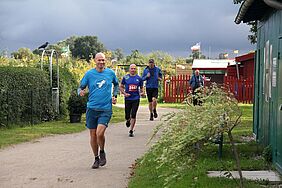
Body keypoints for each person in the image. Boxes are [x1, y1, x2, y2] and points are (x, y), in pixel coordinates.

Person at [78, 52, 119, 169]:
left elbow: (116, 84)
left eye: (103, 60)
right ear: (95, 61)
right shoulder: (89, 74)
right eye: (99, 60)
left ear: (105, 61)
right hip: (92, 109)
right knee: (93, 135)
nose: (101, 62)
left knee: (99, 133)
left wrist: (115, 95)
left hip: (105, 109)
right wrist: (80, 92)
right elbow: (81, 87)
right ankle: (96, 158)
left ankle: (102, 151)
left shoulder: (110, 73)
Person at [119, 64, 144, 137]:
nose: (133, 70)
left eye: (134, 68)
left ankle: (131, 130)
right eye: (131, 68)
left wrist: (142, 93)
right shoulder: (125, 77)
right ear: (129, 69)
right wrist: (124, 93)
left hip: (136, 98)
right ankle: (128, 119)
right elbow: (121, 87)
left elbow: (142, 88)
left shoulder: (139, 78)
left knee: (133, 114)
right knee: (127, 115)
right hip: (128, 98)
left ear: (136, 69)